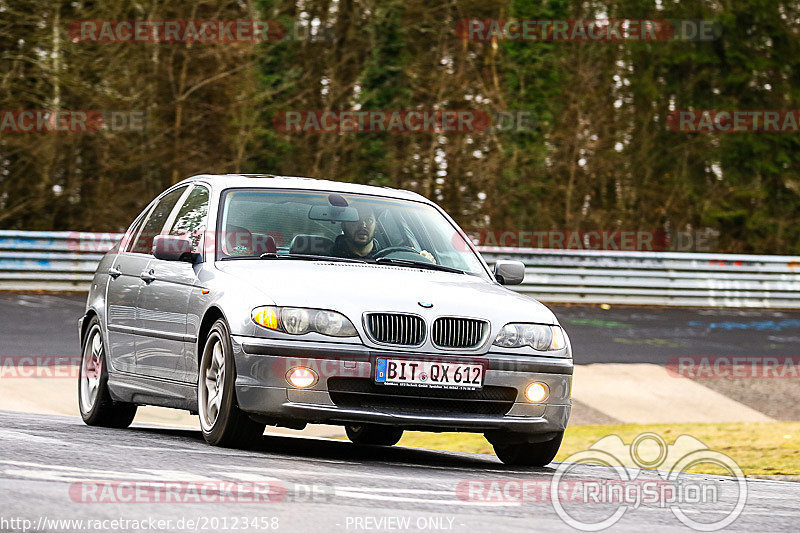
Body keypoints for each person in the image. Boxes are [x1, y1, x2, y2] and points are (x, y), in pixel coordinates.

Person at [330, 204, 437, 263]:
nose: (363, 225)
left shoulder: (394, 259)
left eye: (369, 220)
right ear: (343, 225)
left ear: (376, 225)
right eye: (355, 220)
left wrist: (424, 261)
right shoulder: (326, 257)